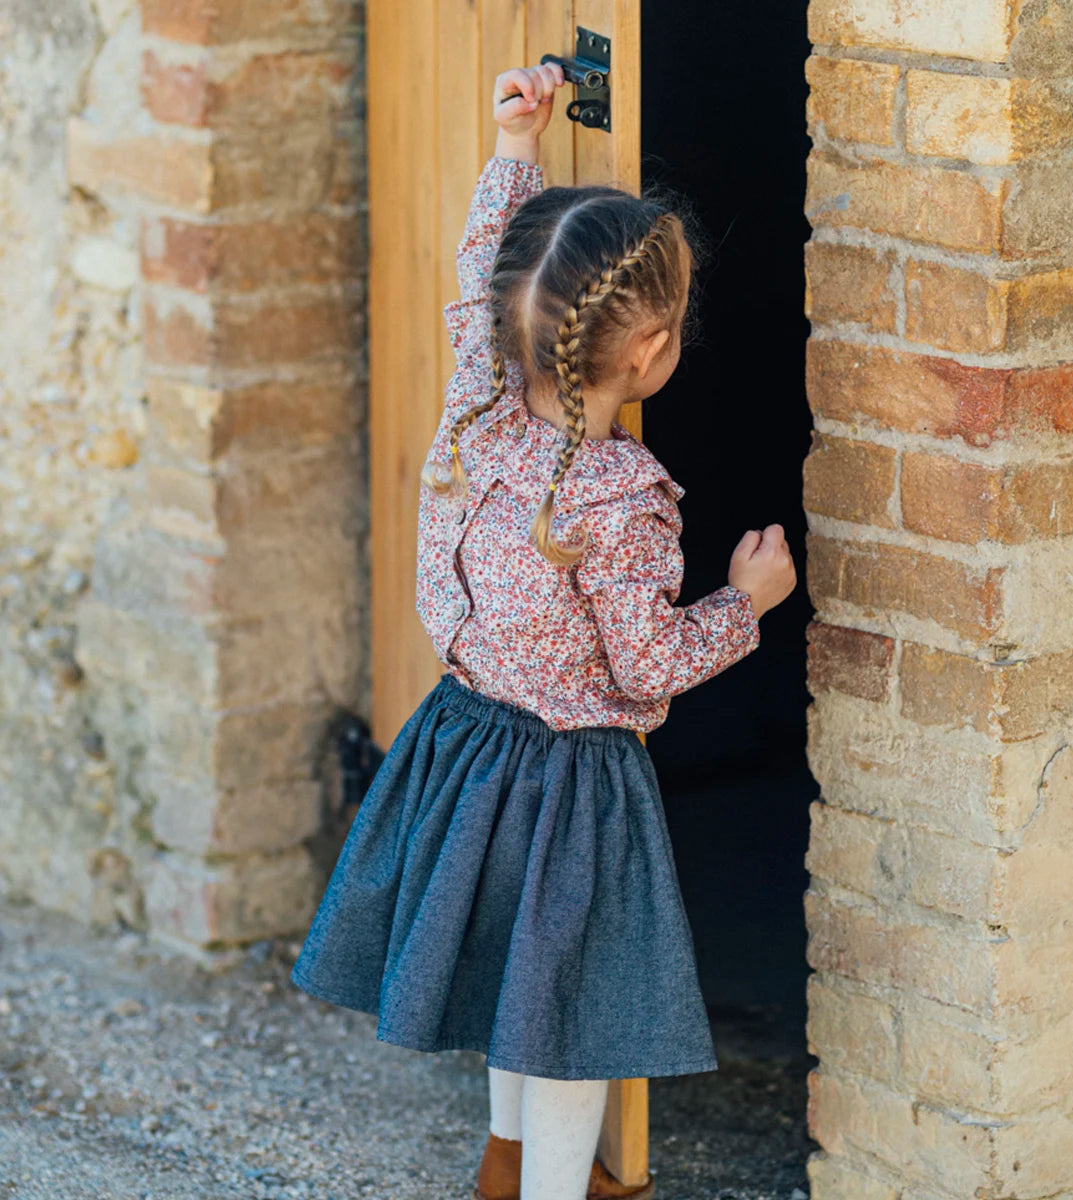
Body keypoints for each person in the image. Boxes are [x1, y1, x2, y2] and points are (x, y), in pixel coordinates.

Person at [289, 60, 796, 1200]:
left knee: (521, 977)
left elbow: (479, 279)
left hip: (466, 741)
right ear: (652, 349)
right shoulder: (622, 499)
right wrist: (747, 602)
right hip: (573, 778)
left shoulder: (476, 402)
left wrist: (516, 146)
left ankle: (507, 1165)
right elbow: (647, 661)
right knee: (567, 1011)